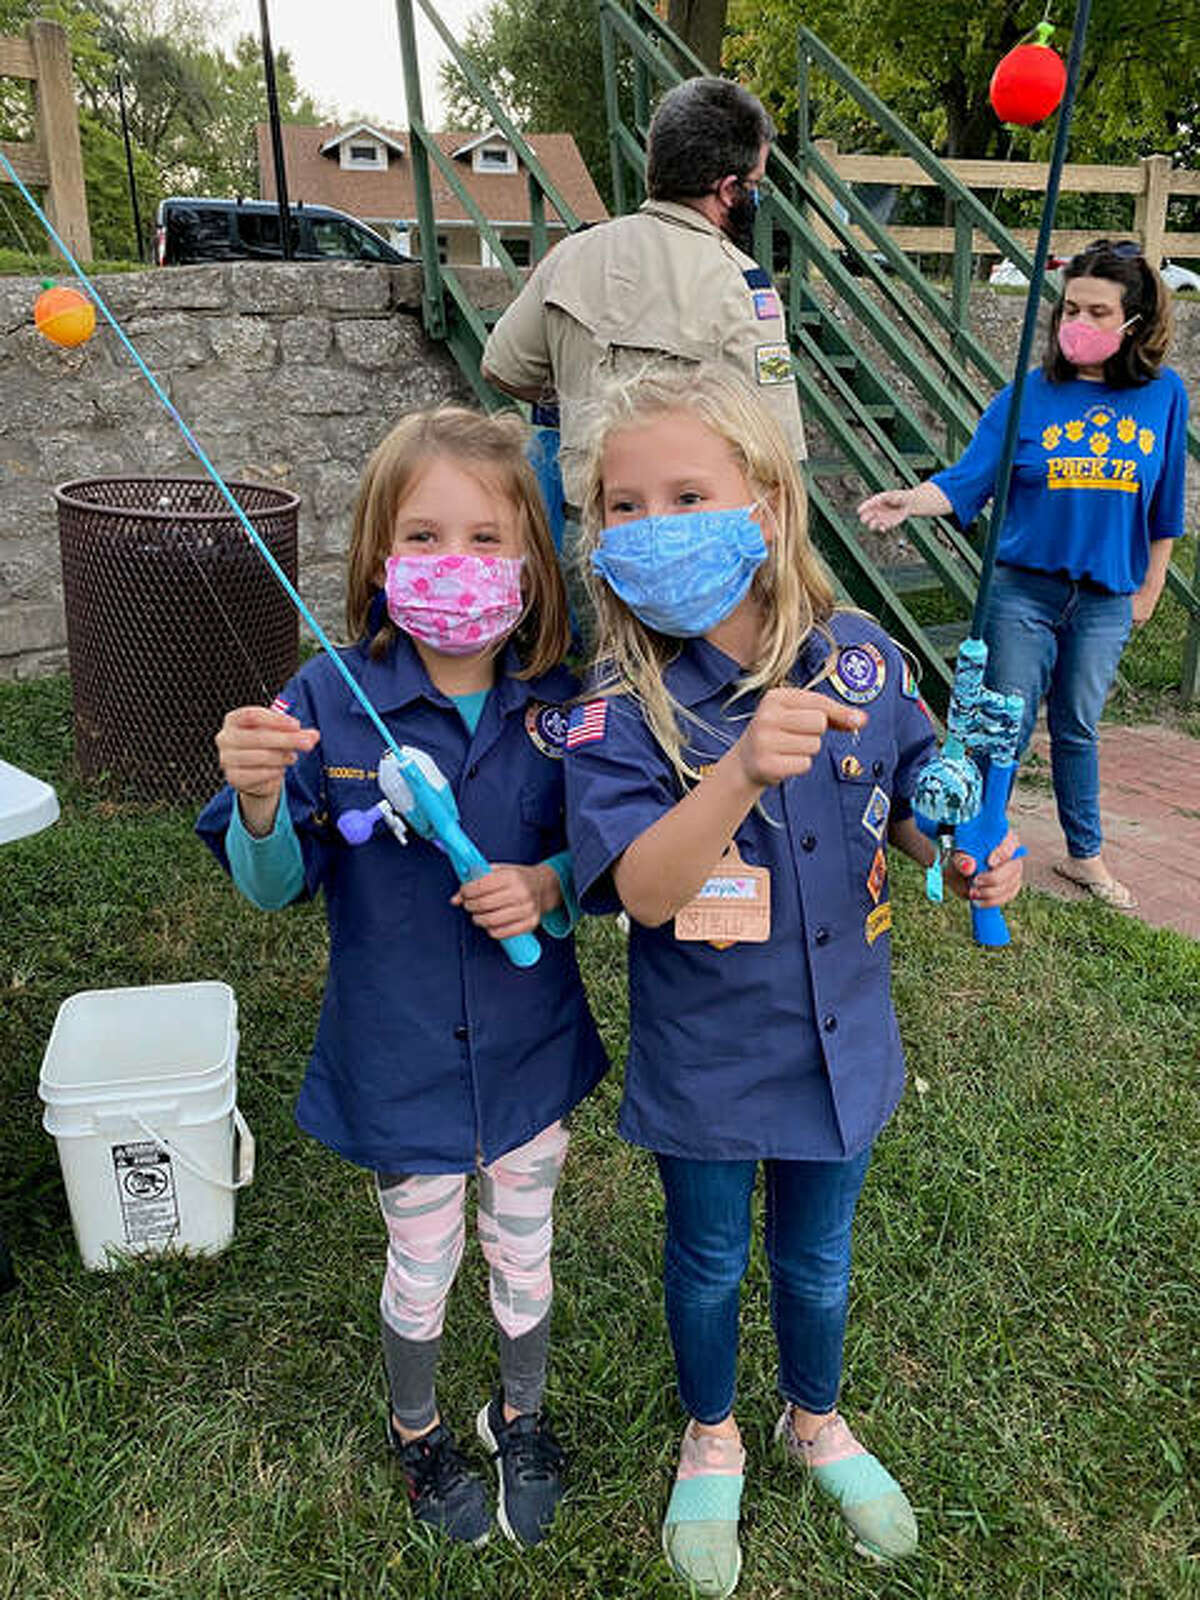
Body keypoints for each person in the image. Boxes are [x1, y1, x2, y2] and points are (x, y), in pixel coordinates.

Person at [563, 365, 1023, 1596]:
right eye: (625, 506)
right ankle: (710, 1426)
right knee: (709, 1261)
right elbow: (645, 892)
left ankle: (811, 1417)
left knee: (817, 1262)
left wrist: (968, 856)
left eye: (687, 494)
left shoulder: (864, 659)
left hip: (844, 1046)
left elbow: (918, 809)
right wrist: (737, 775)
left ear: (765, 501)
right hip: (709, 1061)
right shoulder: (616, 706)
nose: (654, 527)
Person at [196, 407, 607, 1550]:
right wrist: (266, 803)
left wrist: (550, 883)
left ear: (529, 555)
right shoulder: (325, 699)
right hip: (402, 1063)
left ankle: (518, 1412)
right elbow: (273, 886)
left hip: (530, 1062)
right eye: (423, 537)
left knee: (527, 1255)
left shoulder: (570, 706)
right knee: (421, 1264)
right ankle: (417, 1429)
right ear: (379, 556)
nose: (455, 564)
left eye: (485, 538)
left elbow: (616, 862)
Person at [859, 239, 1188, 910]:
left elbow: (1167, 503)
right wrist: (910, 501)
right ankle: (978, 851)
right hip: (1022, 593)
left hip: (1104, 600)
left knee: (1078, 726)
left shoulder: (1164, 396)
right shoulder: (1027, 397)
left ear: (1134, 321)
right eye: (1071, 308)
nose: (1080, 324)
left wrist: (1151, 587)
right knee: (998, 725)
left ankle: (1084, 855)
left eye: (1099, 311)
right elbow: (968, 480)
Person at [480, 75, 807, 522]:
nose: (756, 197)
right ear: (729, 190)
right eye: (755, 185)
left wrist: (583, 401)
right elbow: (778, 445)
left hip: (587, 519)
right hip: (688, 532)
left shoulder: (572, 254)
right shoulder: (740, 282)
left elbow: (502, 366)